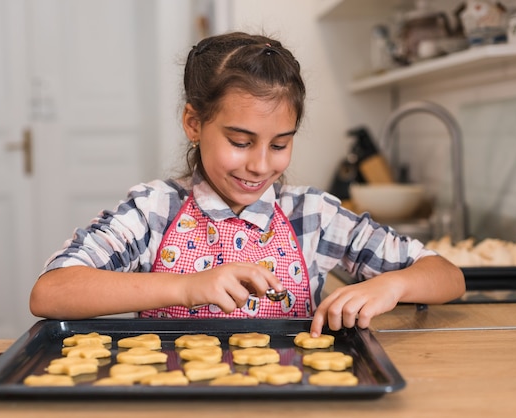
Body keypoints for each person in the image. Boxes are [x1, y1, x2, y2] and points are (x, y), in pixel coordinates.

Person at [29, 32, 465, 336]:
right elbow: (51, 292)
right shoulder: (155, 211)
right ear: (194, 123)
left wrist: (390, 285)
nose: (259, 165)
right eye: (240, 142)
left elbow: (447, 276)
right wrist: (186, 287)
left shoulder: (312, 216)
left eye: (279, 144)